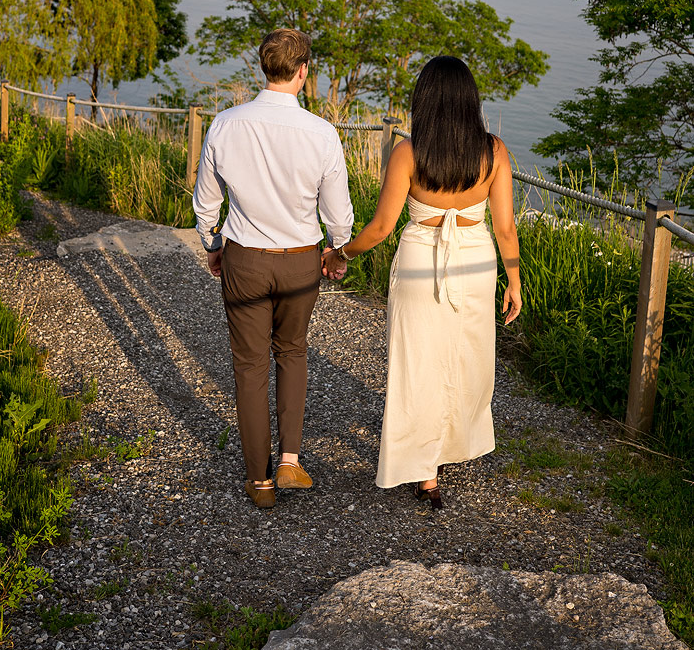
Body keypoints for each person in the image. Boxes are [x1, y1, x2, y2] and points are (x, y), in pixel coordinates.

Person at [323, 55, 521, 508]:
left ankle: (424, 469)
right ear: (470, 100)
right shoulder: (494, 151)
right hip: (475, 262)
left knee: (416, 364)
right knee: (464, 360)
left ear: (424, 100)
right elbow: (506, 227)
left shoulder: (408, 152)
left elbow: (381, 228)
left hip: (419, 261)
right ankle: (447, 448)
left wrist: (340, 254)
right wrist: (514, 281)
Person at [193, 28, 353, 509]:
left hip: (244, 256)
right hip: (302, 261)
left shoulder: (225, 124)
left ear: (264, 67)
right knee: (293, 353)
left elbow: (205, 203)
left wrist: (213, 244)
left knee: (248, 366)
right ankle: (289, 460)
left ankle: (259, 483)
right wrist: (336, 251)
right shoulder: (322, 133)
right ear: (303, 71)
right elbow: (338, 216)